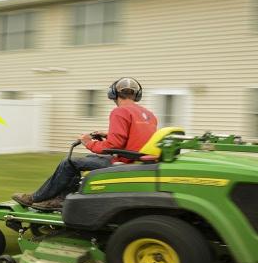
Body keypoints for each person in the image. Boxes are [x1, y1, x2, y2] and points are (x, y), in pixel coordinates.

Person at [12, 77, 158, 210]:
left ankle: (35, 198)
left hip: (123, 163)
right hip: (137, 161)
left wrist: (88, 142)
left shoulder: (119, 112)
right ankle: (61, 198)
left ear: (113, 94)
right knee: (87, 160)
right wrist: (107, 134)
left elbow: (112, 146)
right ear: (137, 95)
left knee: (69, 162)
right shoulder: (149, 115)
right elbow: (137, 137)